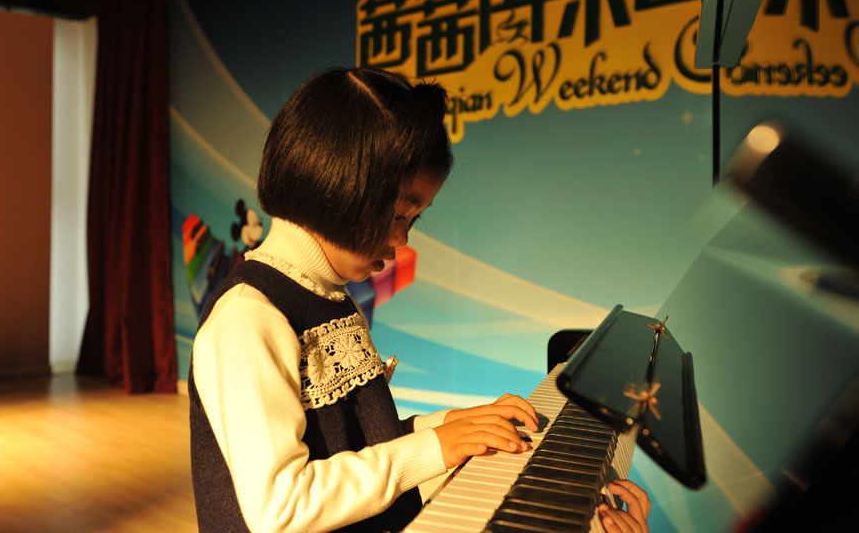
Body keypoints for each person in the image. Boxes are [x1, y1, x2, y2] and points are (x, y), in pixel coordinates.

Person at [188, 66, 650, 533]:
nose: (402, 241)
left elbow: (357, 445)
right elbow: (282, 509)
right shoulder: (248, 317)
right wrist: (437, 447)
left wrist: (450, 425)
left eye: (413, 220)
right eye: (398, 215)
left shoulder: (331, 296)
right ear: (338, 188)